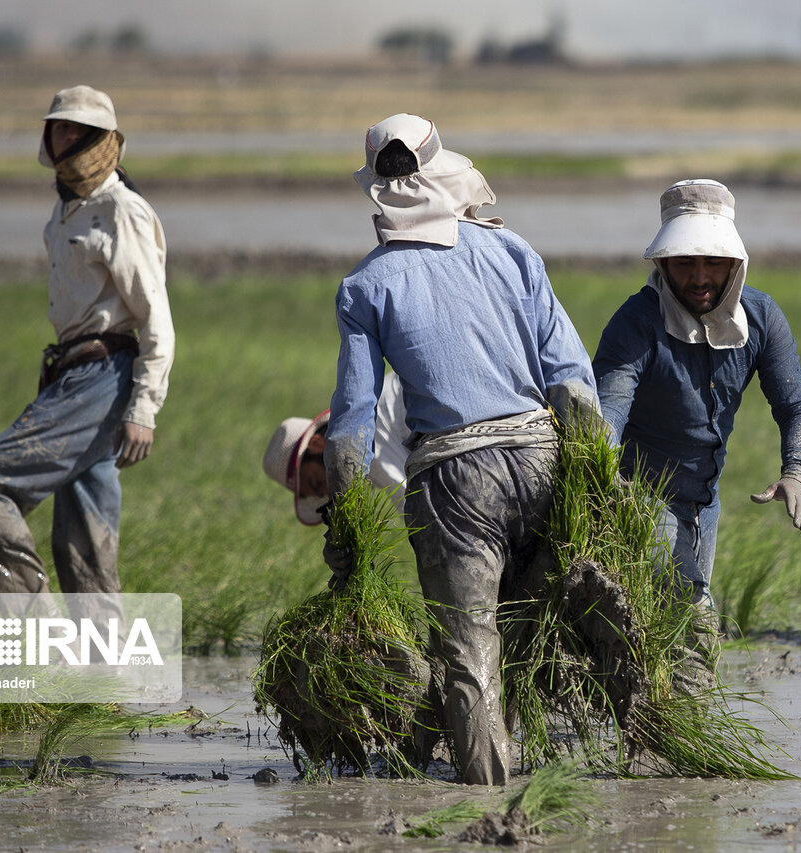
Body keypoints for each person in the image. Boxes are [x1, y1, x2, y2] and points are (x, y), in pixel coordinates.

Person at [322, 113, 601, 785]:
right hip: (541, 457)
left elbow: (353, 420)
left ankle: (488, 801)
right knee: (521, 624)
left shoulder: (367, 285)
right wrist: (597, 482)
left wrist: (344, 519)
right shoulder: (511, 251)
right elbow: (572, 383)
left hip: (456, 479)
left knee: (469, 647)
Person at [0, 85, 174, 608]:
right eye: (59, 126)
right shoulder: (63, 214)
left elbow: (156, 321)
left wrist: (144, 408)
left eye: (79, 129)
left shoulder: (122, 209)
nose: (67, 137)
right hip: (71, 373)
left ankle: (38, 633)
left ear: (105, 139)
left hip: (104, 375)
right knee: (83, 533)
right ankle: (101, 679)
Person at [592, 179, 801, 608]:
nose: (700, 278)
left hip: (704, 501)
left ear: (734, 263)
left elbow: (796, 407)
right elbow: (607, 414)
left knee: (671, 637)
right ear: (663, 263)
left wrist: (798, 472)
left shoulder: (762, 318)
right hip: (639, 497)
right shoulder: (636, 324)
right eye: (684, 263)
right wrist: (606, 490)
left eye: (714, 262)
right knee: (693, 622)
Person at [262, 372, 409, 524]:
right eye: (322, 493)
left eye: (318, 482)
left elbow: (418, 509)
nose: (330, 493)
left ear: (316, 444)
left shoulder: (363, 439)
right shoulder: (366, 411)